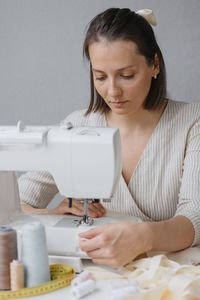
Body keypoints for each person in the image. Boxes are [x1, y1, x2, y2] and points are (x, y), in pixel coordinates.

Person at [19, 8, 200, 268]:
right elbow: (16, 203)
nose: (112, 91)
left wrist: (142, 237)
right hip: (100, 279)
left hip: (172, 278)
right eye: (100, 77)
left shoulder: (193, 122)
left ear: (155, 65)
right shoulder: (78, 125)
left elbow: (195, 217)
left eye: (127, 76)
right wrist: (51, 212)